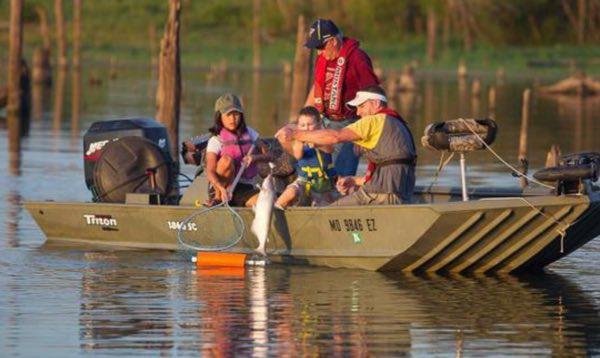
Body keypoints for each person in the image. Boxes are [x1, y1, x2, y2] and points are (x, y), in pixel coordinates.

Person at [276, 86, 416, 206]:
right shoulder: (398, 123)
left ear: (376, 103)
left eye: (362, 106)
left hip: (382, 193)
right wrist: (356, 180)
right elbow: (392, 164)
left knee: (328, 214)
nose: (358, 112)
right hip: (401, 193)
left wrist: (295, 134)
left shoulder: (374, 120)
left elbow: (335, 136)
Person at [304, 19, 379, 177]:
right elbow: (317, 86)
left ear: (332, 41)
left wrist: (366, 132)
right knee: (314, 172)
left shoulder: (357, 58)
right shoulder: (323, 57)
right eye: (316, 48)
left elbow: (374, 96)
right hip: (323, 121)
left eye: (320, 46)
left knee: (341, 177)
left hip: (348, 124)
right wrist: (303, 118)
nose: (318, 52)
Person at [204, 93, 272, 207]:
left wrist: (254, 157)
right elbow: (210, 172)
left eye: (236, 114)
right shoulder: (216, 140)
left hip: (244, 188)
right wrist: (221, 188)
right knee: (226, 160)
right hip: (222, 189)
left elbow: (269, 156)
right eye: (228, 114)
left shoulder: (250, 133)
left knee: (271, 200)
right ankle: (218, 198)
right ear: (219, 116)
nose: (233, 119)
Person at [275, 106, 336, 209]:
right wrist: (300, 140)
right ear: (298, 127)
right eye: (303, 125)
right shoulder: (298, 140)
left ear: (319, 125)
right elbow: (298, 155)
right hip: (303, 181)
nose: (306, 128)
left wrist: (316, 142)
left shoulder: (324, 138)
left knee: (323, 205)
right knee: (291, 192)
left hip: (323, 185)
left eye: (310, 124)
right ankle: (274, 208)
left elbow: (330, 149)